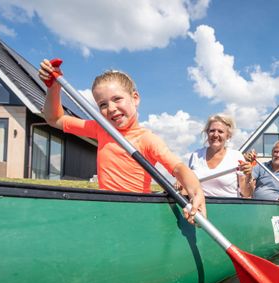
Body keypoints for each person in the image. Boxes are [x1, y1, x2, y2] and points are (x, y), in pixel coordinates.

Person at [38, 59, 205, 224]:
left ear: (135, 98)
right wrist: (53, 87)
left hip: (137, 212)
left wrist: (196, 190)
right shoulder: (101, 128)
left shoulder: (147, 139)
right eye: (102, 104)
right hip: (107, 210)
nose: (111, 108)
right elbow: (55, 119)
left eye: (117, 99)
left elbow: (177, 167)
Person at [184, 114, 252, 198]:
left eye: (220, 131)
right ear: (207, 133)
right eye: (212, 131)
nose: (215, 135)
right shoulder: (196, 155)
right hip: (201, 207)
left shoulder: (236, 156)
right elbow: (188, 187)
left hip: (229, 207)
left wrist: (248, 175)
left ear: (228, 136)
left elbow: (246, 194)